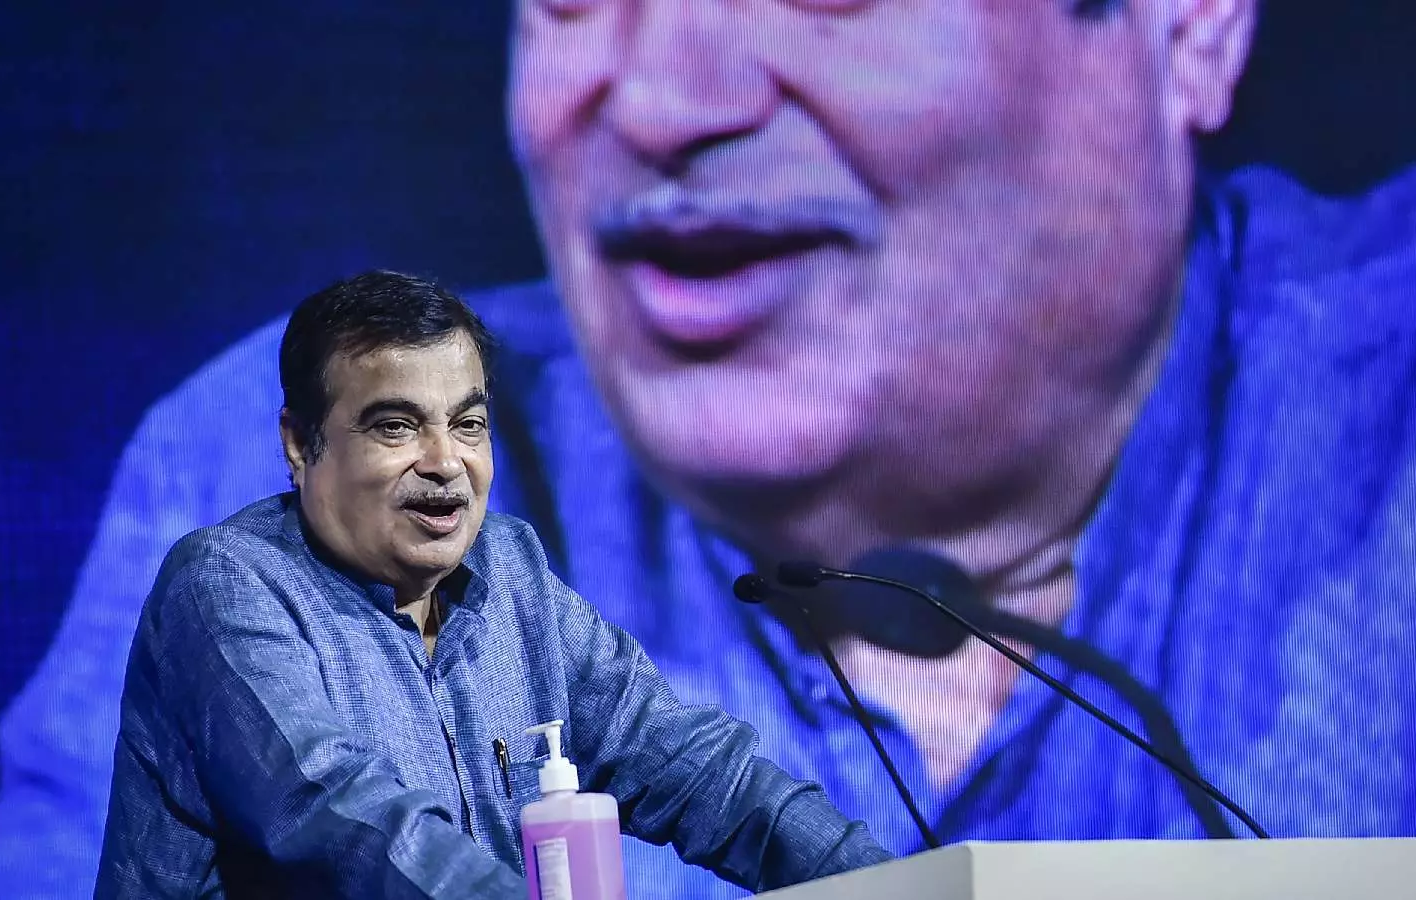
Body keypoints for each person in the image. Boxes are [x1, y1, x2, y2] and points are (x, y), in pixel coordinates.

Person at [0, 0, 1416, 896]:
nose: (667, 100)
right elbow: (337, 822)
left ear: (1187, 21)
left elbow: (705, 785)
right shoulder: (273, 495)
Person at [94, 273, 891, 898]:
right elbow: (339, 816)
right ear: (301, 445)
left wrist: (895, 886)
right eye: (396, 425)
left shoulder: (512, 573)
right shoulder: (227, 586)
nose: (446, 462)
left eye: (468, 424)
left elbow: (699, 772)